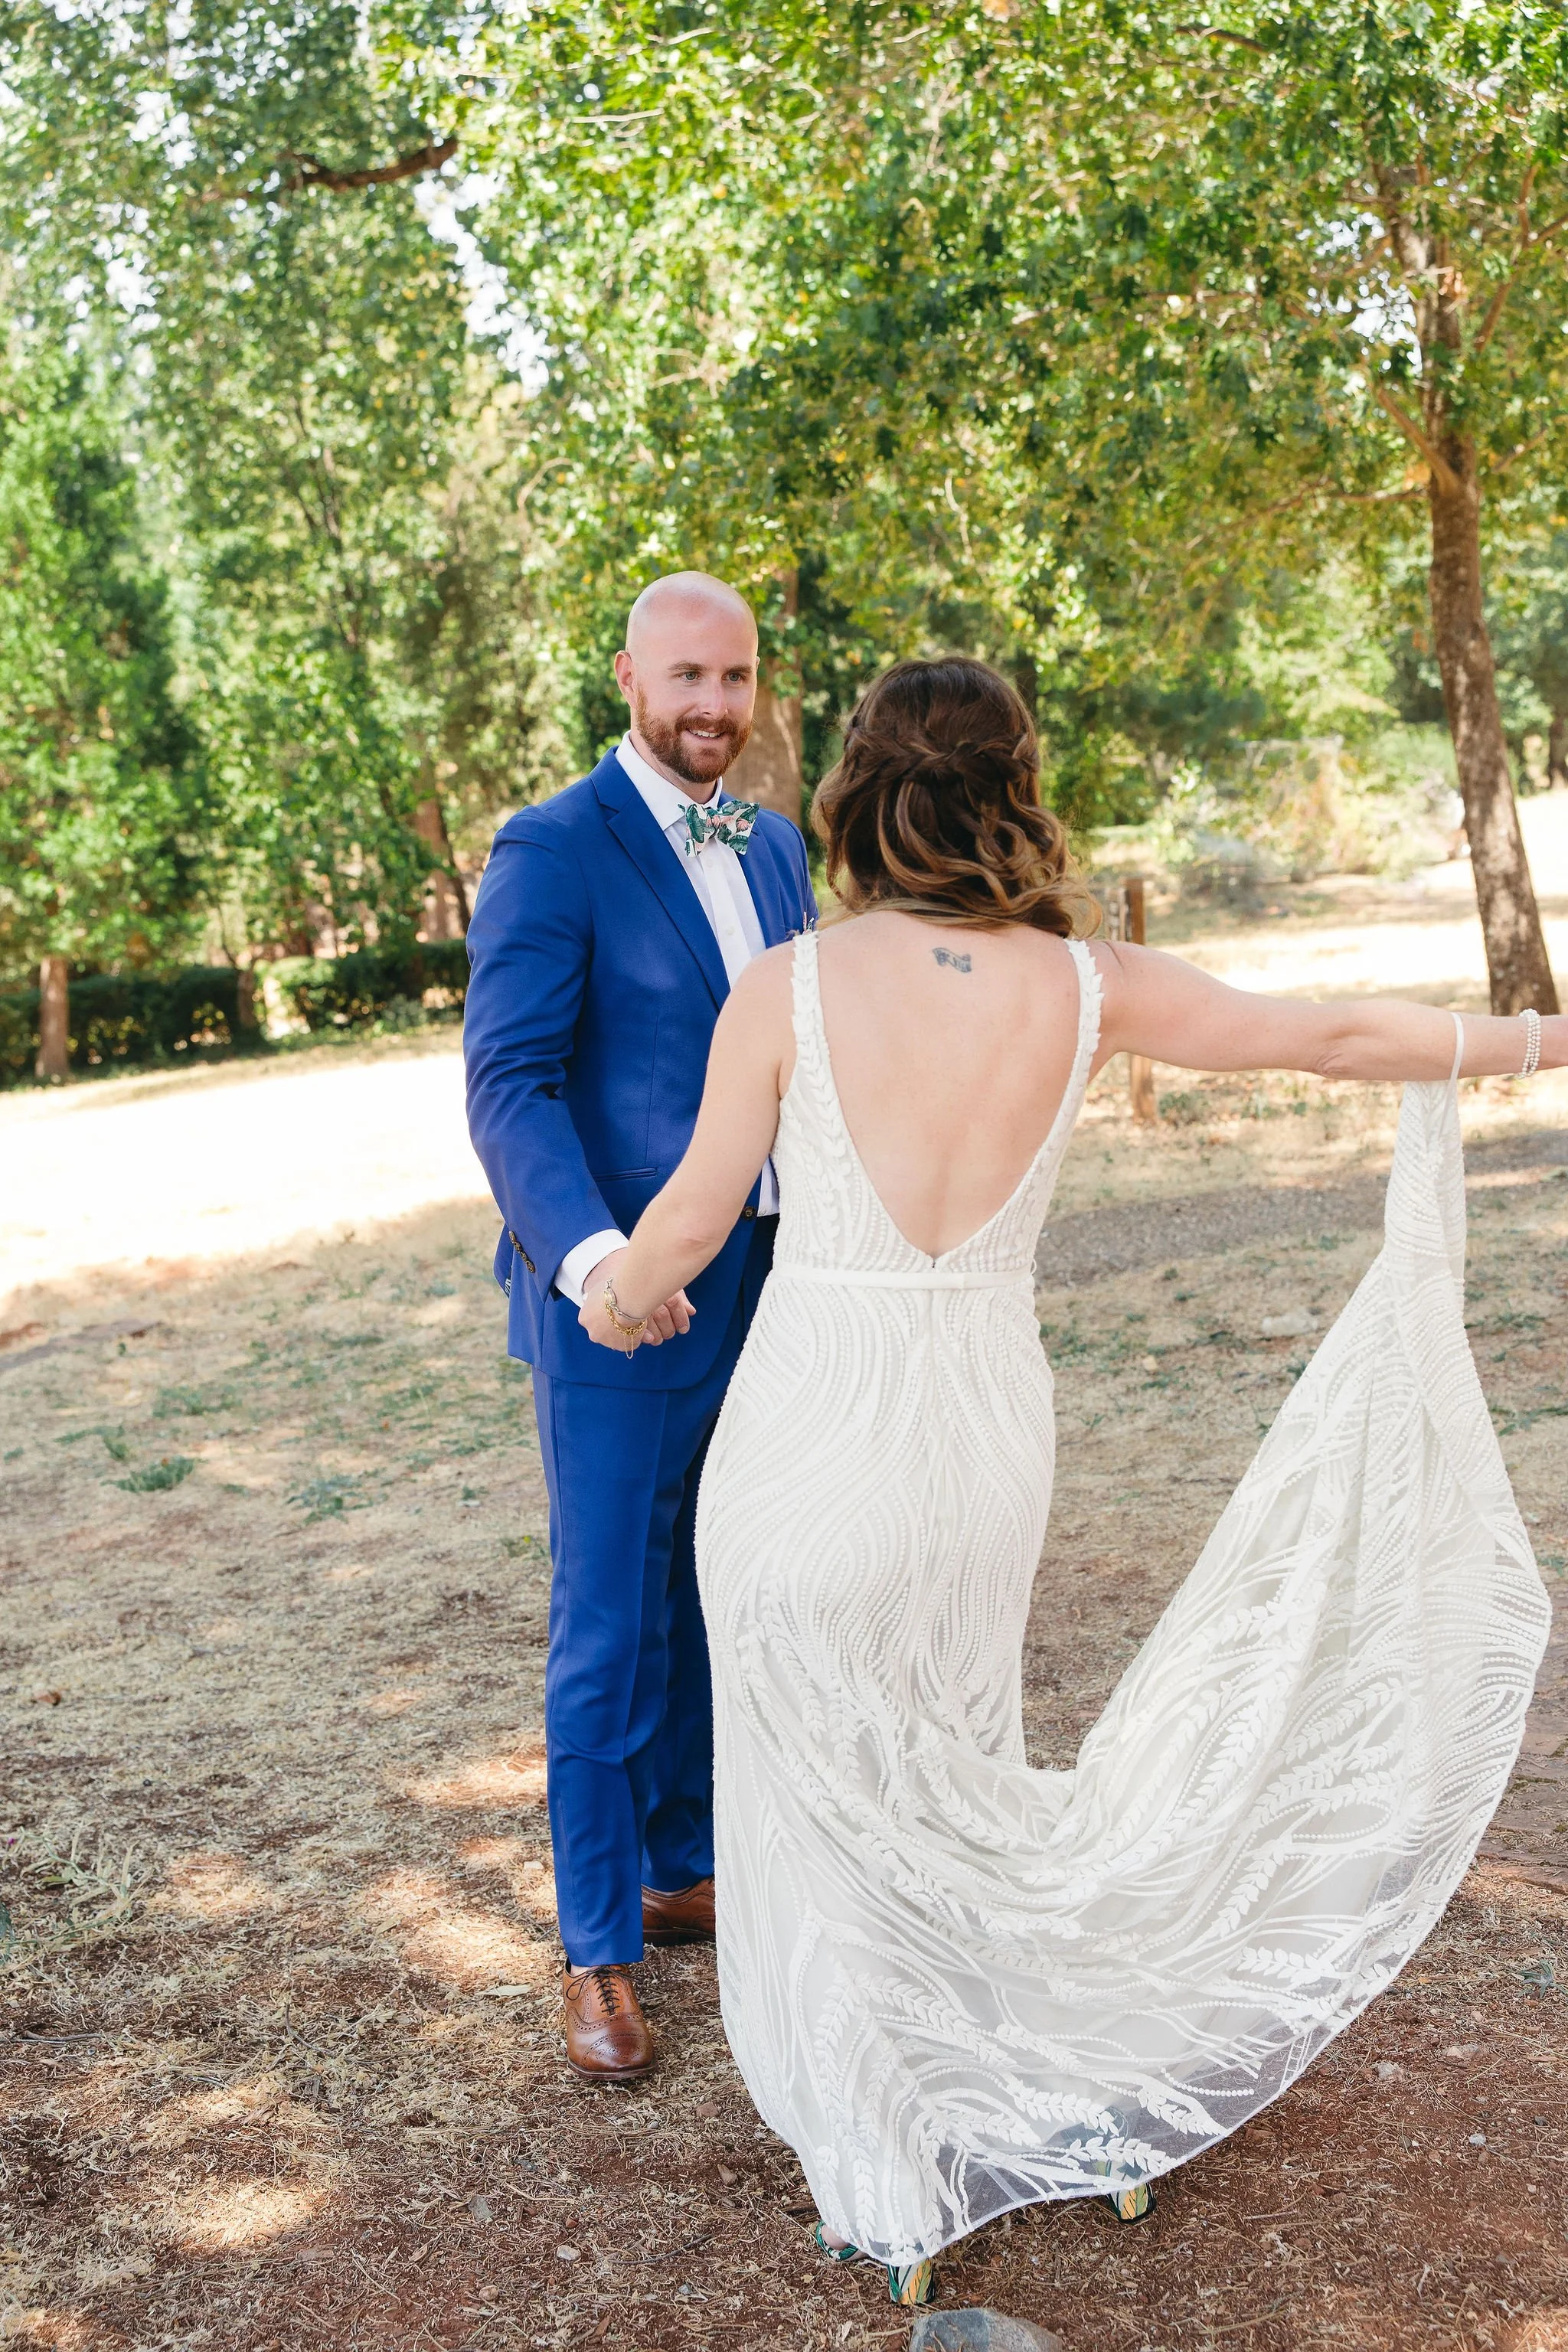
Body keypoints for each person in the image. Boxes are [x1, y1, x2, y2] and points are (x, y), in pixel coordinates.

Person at [585, 655, 1555, 2305]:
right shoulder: (1089, 986)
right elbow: (1322, 1036)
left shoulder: (796, 987)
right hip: (979, 1427)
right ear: (1014, 789)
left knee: (817, 1784)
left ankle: (891, 2163)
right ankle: (1050, 2094)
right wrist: (1529, 1036)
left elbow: (683, 1226)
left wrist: (610, 1294)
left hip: (816, 1418)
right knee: (957, 1750)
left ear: (859, 794)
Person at [464, 572, 817, 2082]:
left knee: (719, 1583)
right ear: (626, 677)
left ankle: (682, 1864)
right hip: (618, 1306)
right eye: (685, 678)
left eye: (733, 680)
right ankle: (598, 1947)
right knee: (609, 1623)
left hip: (773, 1288)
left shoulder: (771, 840)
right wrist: (597, 1260)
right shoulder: (552, 847)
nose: (712, 710)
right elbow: (508, 1085)